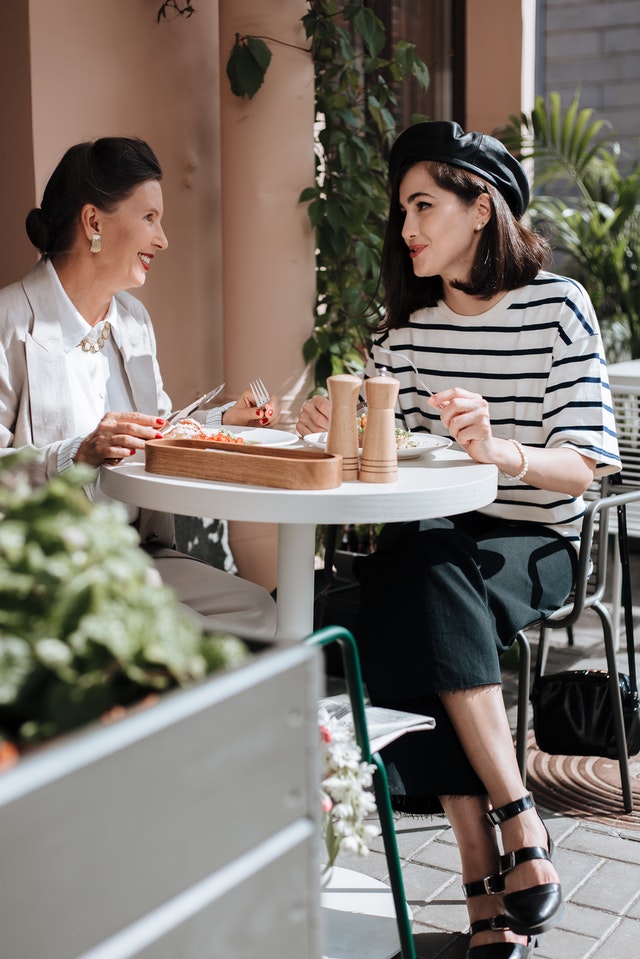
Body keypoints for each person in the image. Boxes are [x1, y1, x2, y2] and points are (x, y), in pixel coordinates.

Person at [297, 121, 620, 958]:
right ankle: (515, 830)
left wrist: (499, 449)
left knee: (408, 586)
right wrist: (329, 430)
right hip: (439, 542)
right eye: (401, 208)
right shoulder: (403, 332)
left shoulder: (558, 306)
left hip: (536, 540)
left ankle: (489, 861)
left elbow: (584, 466)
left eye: (423, 204)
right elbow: (390, 464)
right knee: (420, 566)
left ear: (482, 209)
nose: (406, 228)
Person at [0, 136, 279, 640]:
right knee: (192, 637)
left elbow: (158, 431)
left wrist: (220, 422)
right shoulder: (10, 324)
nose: (163, 238)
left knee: (262, 612)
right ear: (94, 223)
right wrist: (77, 454)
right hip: (58, 569)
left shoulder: (133, 320)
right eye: (149, 218)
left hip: (139, 552)